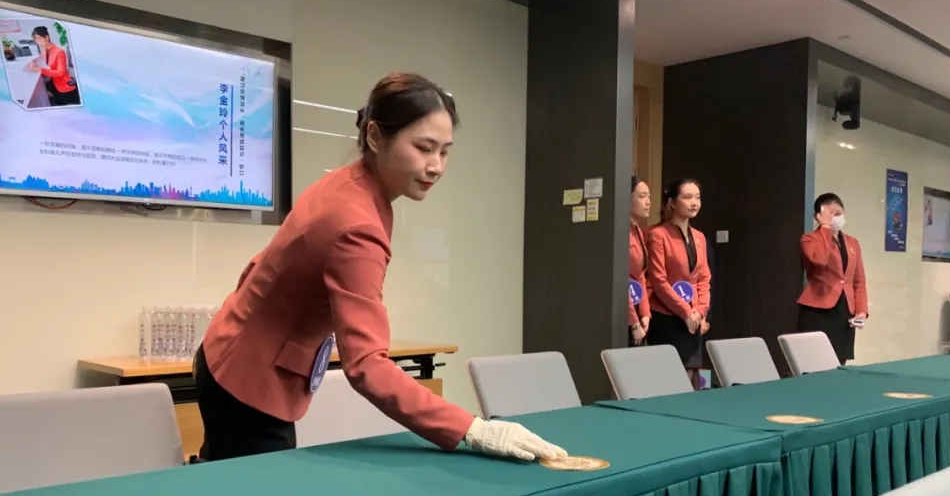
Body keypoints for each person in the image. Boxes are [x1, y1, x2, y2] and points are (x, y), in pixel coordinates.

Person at [196, 72, 567, 463]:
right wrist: (471, 429)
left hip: (232, 353)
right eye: (424, 148)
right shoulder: (357, 222)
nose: (436, 166)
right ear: (374, 136)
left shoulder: (347, 183)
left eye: (444, 152)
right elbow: (366, 365)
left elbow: (262, 267)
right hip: (247, 380)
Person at [646, 179, 711, 382]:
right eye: (688, 197)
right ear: (672, 202)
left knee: (690, 375)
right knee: (668, 378)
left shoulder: (699, 237)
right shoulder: (658, 235)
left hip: (693, 319)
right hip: (667, 316)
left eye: (697, 197)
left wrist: (700, 310)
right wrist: (685, 312)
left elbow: (703, 278)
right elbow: (659, 280)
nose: (694, 202)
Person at [797, 192, 868, 365]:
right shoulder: (809, 239)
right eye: (829, 214)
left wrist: (861, 311)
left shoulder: (852, 243)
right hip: (818, 310)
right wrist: (825, 229)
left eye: (838, 213)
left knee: (839, 362)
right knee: (815, 362)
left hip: (844, 311)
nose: (835, 218)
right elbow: (820, 259)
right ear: (818, 217)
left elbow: (858, 280)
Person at [27, 25, 80, 106]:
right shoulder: (45, 50)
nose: (38, 42)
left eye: (39, 39)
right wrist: (33, 61)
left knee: (42, 95)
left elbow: (60, 72)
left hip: (63, 86)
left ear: (47, 37)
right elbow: (43, 60)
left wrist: (39, 69)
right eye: (36, 40)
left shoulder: (59, 52)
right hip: (53, 82)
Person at [628, 178, 652, 346]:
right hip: (624, 311)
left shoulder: (637, 230)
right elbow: (621, 279)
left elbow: (641, 275)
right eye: (642, 196)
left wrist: (645, 313)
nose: (648, 202)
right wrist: (633, 321)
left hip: (637, 306)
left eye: (648, 196)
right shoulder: (621, 231)